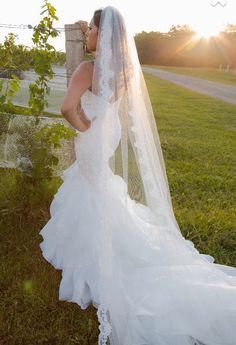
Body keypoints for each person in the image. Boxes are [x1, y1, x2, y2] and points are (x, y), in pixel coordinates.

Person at [39, 6, 236, 345]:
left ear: (102, 34)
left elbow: (66, 108)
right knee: (98, 187)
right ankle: (104, 239)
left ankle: (95, 250)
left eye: (91, 30)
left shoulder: (87, 69)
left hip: (94, 134)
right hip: (109, 131)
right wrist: (99, 123)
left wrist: (85, 127)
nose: (86, 35)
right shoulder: (126, 69)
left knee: (91, 187)